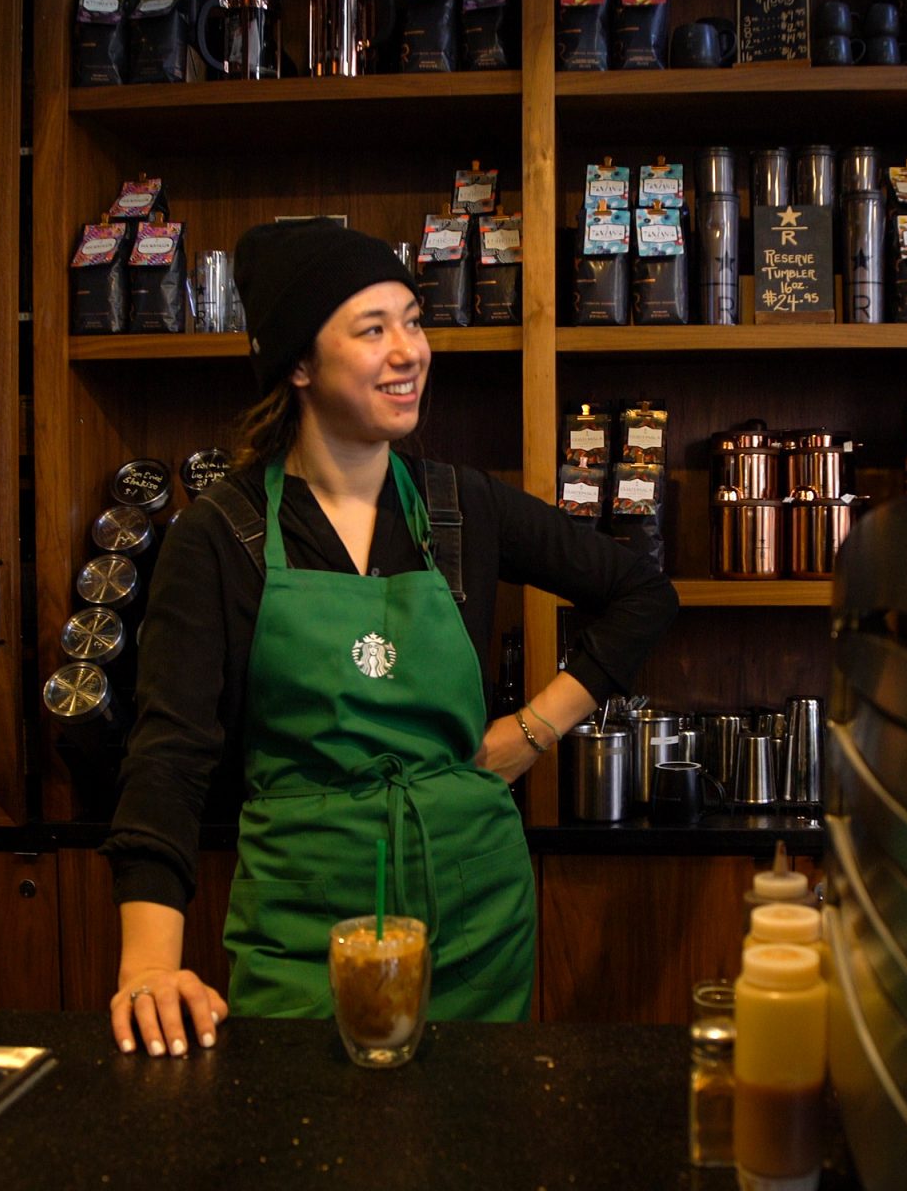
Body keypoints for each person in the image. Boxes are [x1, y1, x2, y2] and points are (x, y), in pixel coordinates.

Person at [100, 220, 678, 1057]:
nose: (409, 351)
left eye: (413, 320)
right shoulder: (222, 536)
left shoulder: (460, 506)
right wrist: (148, 966)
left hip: (478, 917)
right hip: (305, 926)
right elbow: (167, 761)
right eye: (373, 329)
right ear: (299, 364)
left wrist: (532, 730)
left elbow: (640, 593)